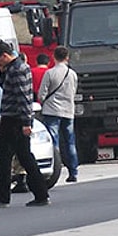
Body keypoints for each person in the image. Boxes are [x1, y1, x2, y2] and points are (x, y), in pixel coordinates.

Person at [0, 41, 51, 208]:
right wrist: (2, 71)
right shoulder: (13, 68)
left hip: (15, 120)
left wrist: (26, 122)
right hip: (10, 118)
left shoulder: (17, 70)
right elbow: (3, 86)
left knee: (15, 158)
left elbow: (24, 98)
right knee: (15, 157)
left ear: (5, 56)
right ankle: (38, 194)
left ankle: (5, 197)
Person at [38, 46, 79, 183]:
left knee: (54, 141)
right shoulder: (72, 74)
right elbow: (73, 91)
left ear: (53, 57)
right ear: (67, 57)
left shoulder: (50, 73)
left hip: (52, 111)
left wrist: (43, 102)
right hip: (68, 110)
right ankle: (73, 172)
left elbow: (42, 94)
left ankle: (55, 170)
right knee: (70, 142)